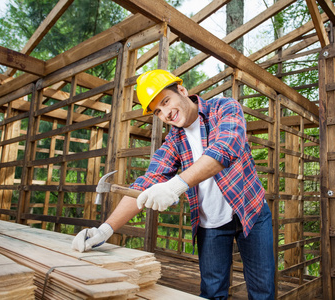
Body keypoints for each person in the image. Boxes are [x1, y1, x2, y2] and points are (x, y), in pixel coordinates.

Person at [72, 69, 275, 300]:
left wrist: (175, 185)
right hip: (210, 223)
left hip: (251, 211)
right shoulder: (174, 141)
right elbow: (145, 184)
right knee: (211, 292)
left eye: (166, 101)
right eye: (158, 111)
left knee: (262, 291)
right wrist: (104, 230)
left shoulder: (224, 108)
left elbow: (226, 149)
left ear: (182, 90)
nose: (166, 113)